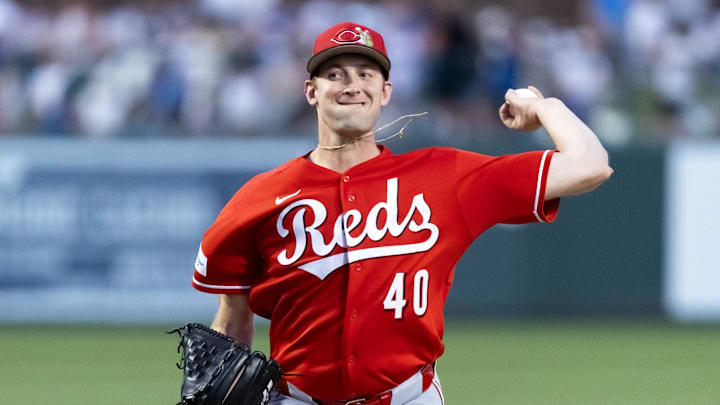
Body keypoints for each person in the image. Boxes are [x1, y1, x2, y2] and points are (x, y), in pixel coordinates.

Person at [191, 22, 612, 405]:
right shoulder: (260, 198)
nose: (351, 85)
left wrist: (544, 108)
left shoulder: (445, 177)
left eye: (366, 74)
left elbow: (590, 165)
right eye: (335, 74)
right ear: (311, 91)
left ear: (385, 92)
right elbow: (232, 323)